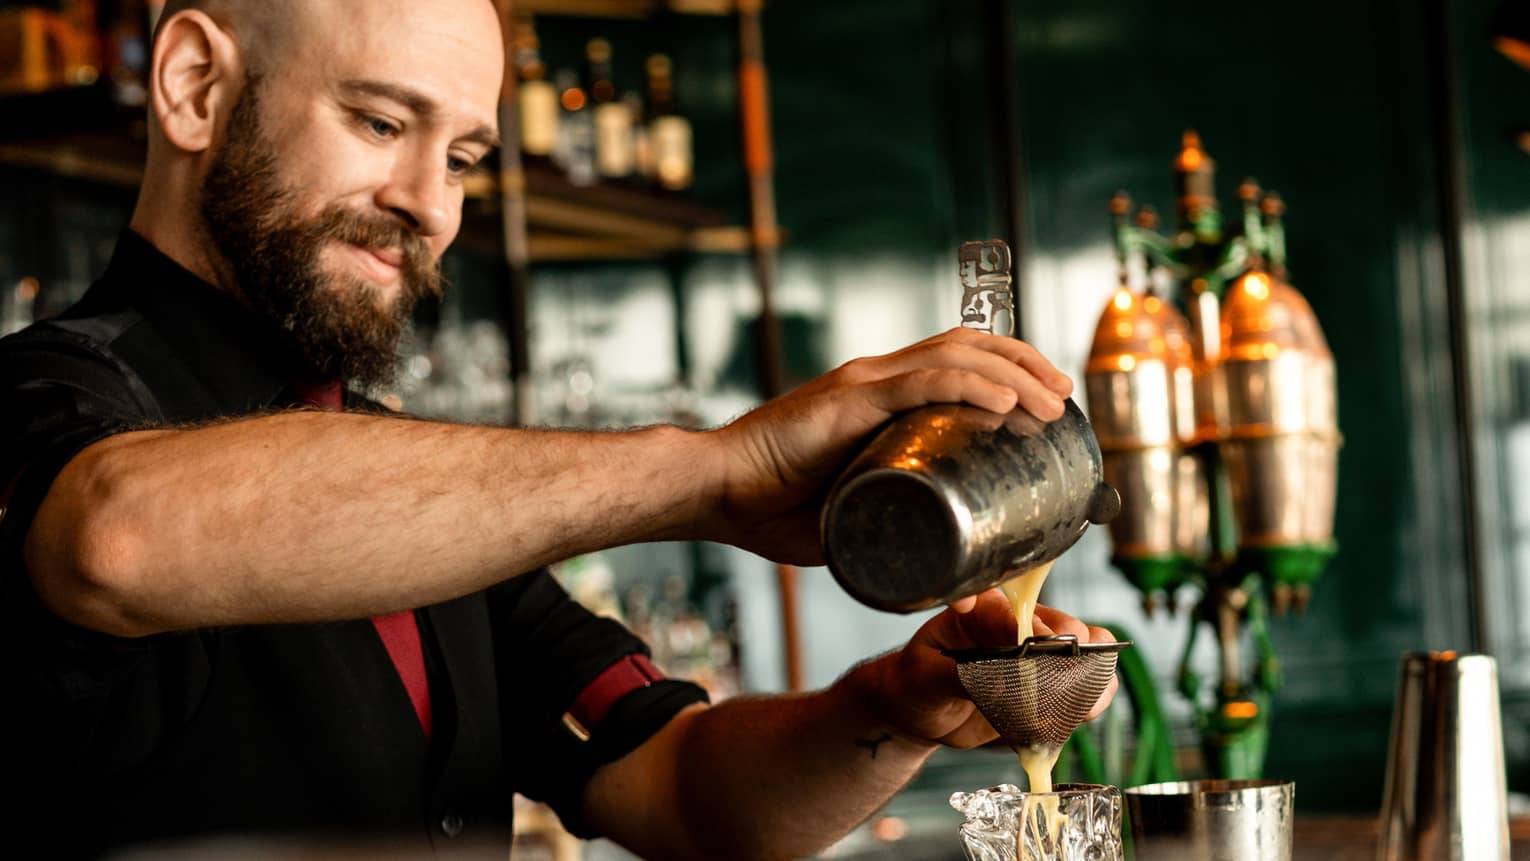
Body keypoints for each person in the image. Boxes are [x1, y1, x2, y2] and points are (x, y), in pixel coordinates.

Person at [0, 1, 1118, 858]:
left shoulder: (429, 495)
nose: (429, 205)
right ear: (193, 85)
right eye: (382, 121)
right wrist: (717, 470)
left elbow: (681, 789)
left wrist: (891, 706)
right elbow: (123, 539)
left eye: (464, 159)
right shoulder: (45, 402)